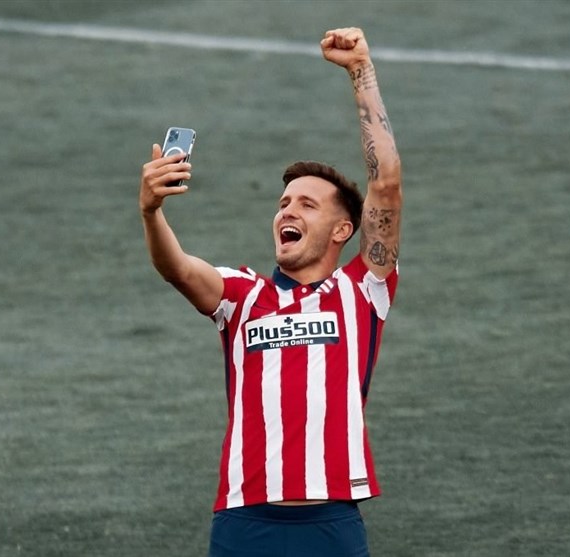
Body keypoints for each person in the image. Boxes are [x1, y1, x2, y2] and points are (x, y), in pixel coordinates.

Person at [139, 27, 401, 557]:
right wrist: (151, 211)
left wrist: (361, 72)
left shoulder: (362, 290)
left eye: (307, 204)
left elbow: (386, 184)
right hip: (244, 522)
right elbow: (178, 269)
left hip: (332, 523)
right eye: (283, 203)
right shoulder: (242, 295)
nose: (287, 210)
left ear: (343, 230)